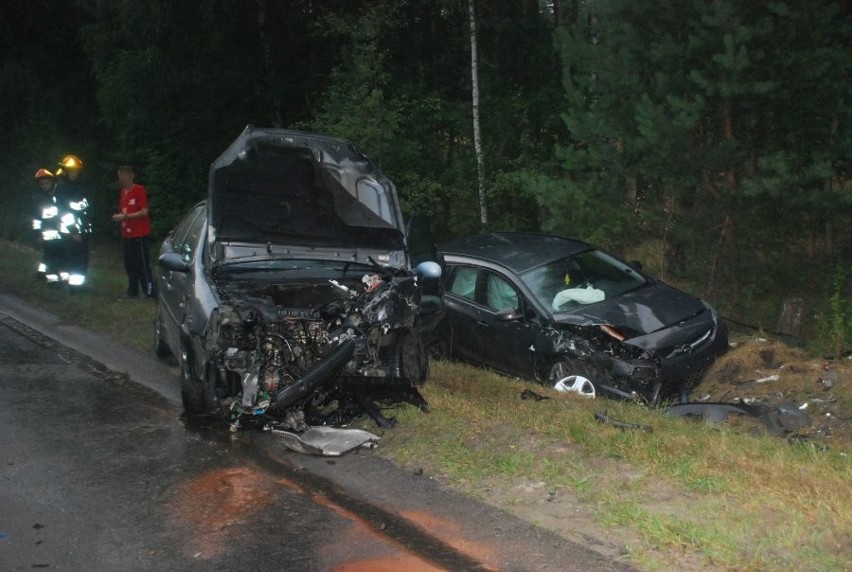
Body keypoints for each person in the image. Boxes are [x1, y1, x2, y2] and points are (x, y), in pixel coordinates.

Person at [111, 165, 155, 298]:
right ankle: (133, 291)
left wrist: (125, 217)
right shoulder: (123, 192)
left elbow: (144, 211)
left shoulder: (138, 190)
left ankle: (149, 290)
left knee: (142, 263)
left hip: (139, 233)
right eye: (120, 176)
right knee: (129, 263)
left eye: (125, 175)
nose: (123, 179)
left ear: (131, 175)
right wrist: (119, 217)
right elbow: (125, 210)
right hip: (127, 234)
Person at [53, 154, 92, 289]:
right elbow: (64, 212)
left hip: (83, 230)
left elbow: (84, 208)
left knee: (82, 259)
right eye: (72, 171)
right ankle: (74, 288)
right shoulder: (63, 187)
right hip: (71, 232)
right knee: (74, 259)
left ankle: (79, 285)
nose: (75, 173)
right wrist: (73, 231)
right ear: (65, 171)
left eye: (76, 171)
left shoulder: (79, 187)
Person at [31, 168, 65, 283]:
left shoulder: (58, 196)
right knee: (50, 258)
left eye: (46, 183)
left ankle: (41, 274)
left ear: (52, 182)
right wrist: (38, 234)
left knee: (55, 257)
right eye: (42, 184)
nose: (44, 186)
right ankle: (53, 282)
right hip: (48, 234)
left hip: (61, 232)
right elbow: (36, 220)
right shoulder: (38, 199)